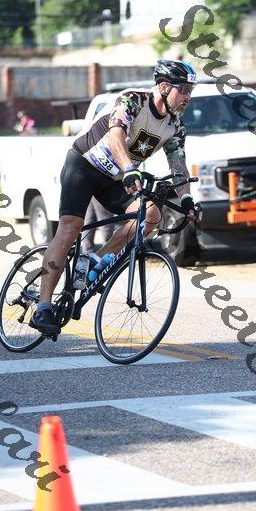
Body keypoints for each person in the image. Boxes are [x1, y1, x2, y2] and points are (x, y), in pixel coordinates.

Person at [30, 59, 199, 335]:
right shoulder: (132, 101)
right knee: (71, 228)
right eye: (184, 90)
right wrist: (130, 169)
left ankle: (96, 260)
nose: (188, 97)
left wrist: (188, 201)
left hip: (115, 178)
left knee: (151, 215)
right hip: (84, 166)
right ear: (164, 87)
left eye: (191, 91)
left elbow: (178, 165)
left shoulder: (174, 126)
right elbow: (116, 135)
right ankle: (43, 306)